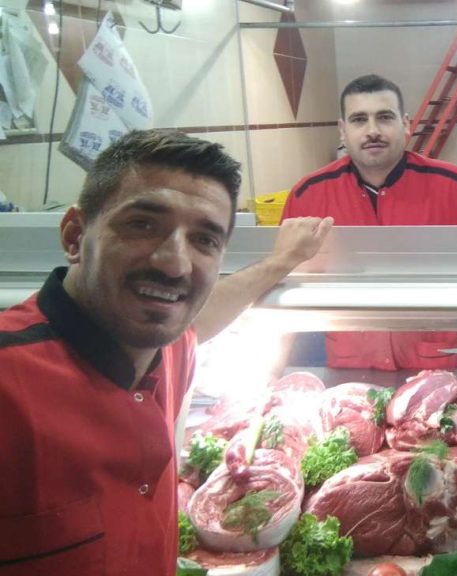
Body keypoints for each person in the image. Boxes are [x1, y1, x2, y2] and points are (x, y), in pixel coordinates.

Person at [0, 129, 332, 575]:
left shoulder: (165, 349)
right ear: (75, 235)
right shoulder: (9, 381)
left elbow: (201, 315)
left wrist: (281, 262)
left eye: (204, 240)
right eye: (143, 224)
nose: (174, 263)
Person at [282, 74, 457, 371]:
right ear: (342, 131)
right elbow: (283, 277)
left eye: (384, 117)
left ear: (406, 124)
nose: (373, 131)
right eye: (359, 120)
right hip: (350, 369)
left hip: (436, 367)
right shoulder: (308, 195)